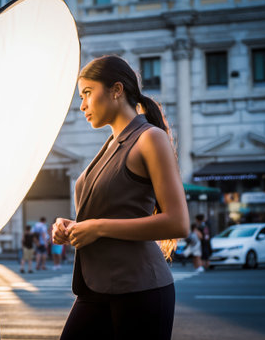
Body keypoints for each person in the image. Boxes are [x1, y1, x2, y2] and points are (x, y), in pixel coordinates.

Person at [52, 55, 189, 340]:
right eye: (81, 96)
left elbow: (178, 222)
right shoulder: (111, 143)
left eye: (88, 93)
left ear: (116, 90)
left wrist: (97, 227)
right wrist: (74, 226)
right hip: (98, 288)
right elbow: (114, 208)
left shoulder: (150, 138)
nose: (82, 105)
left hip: (141, 289)